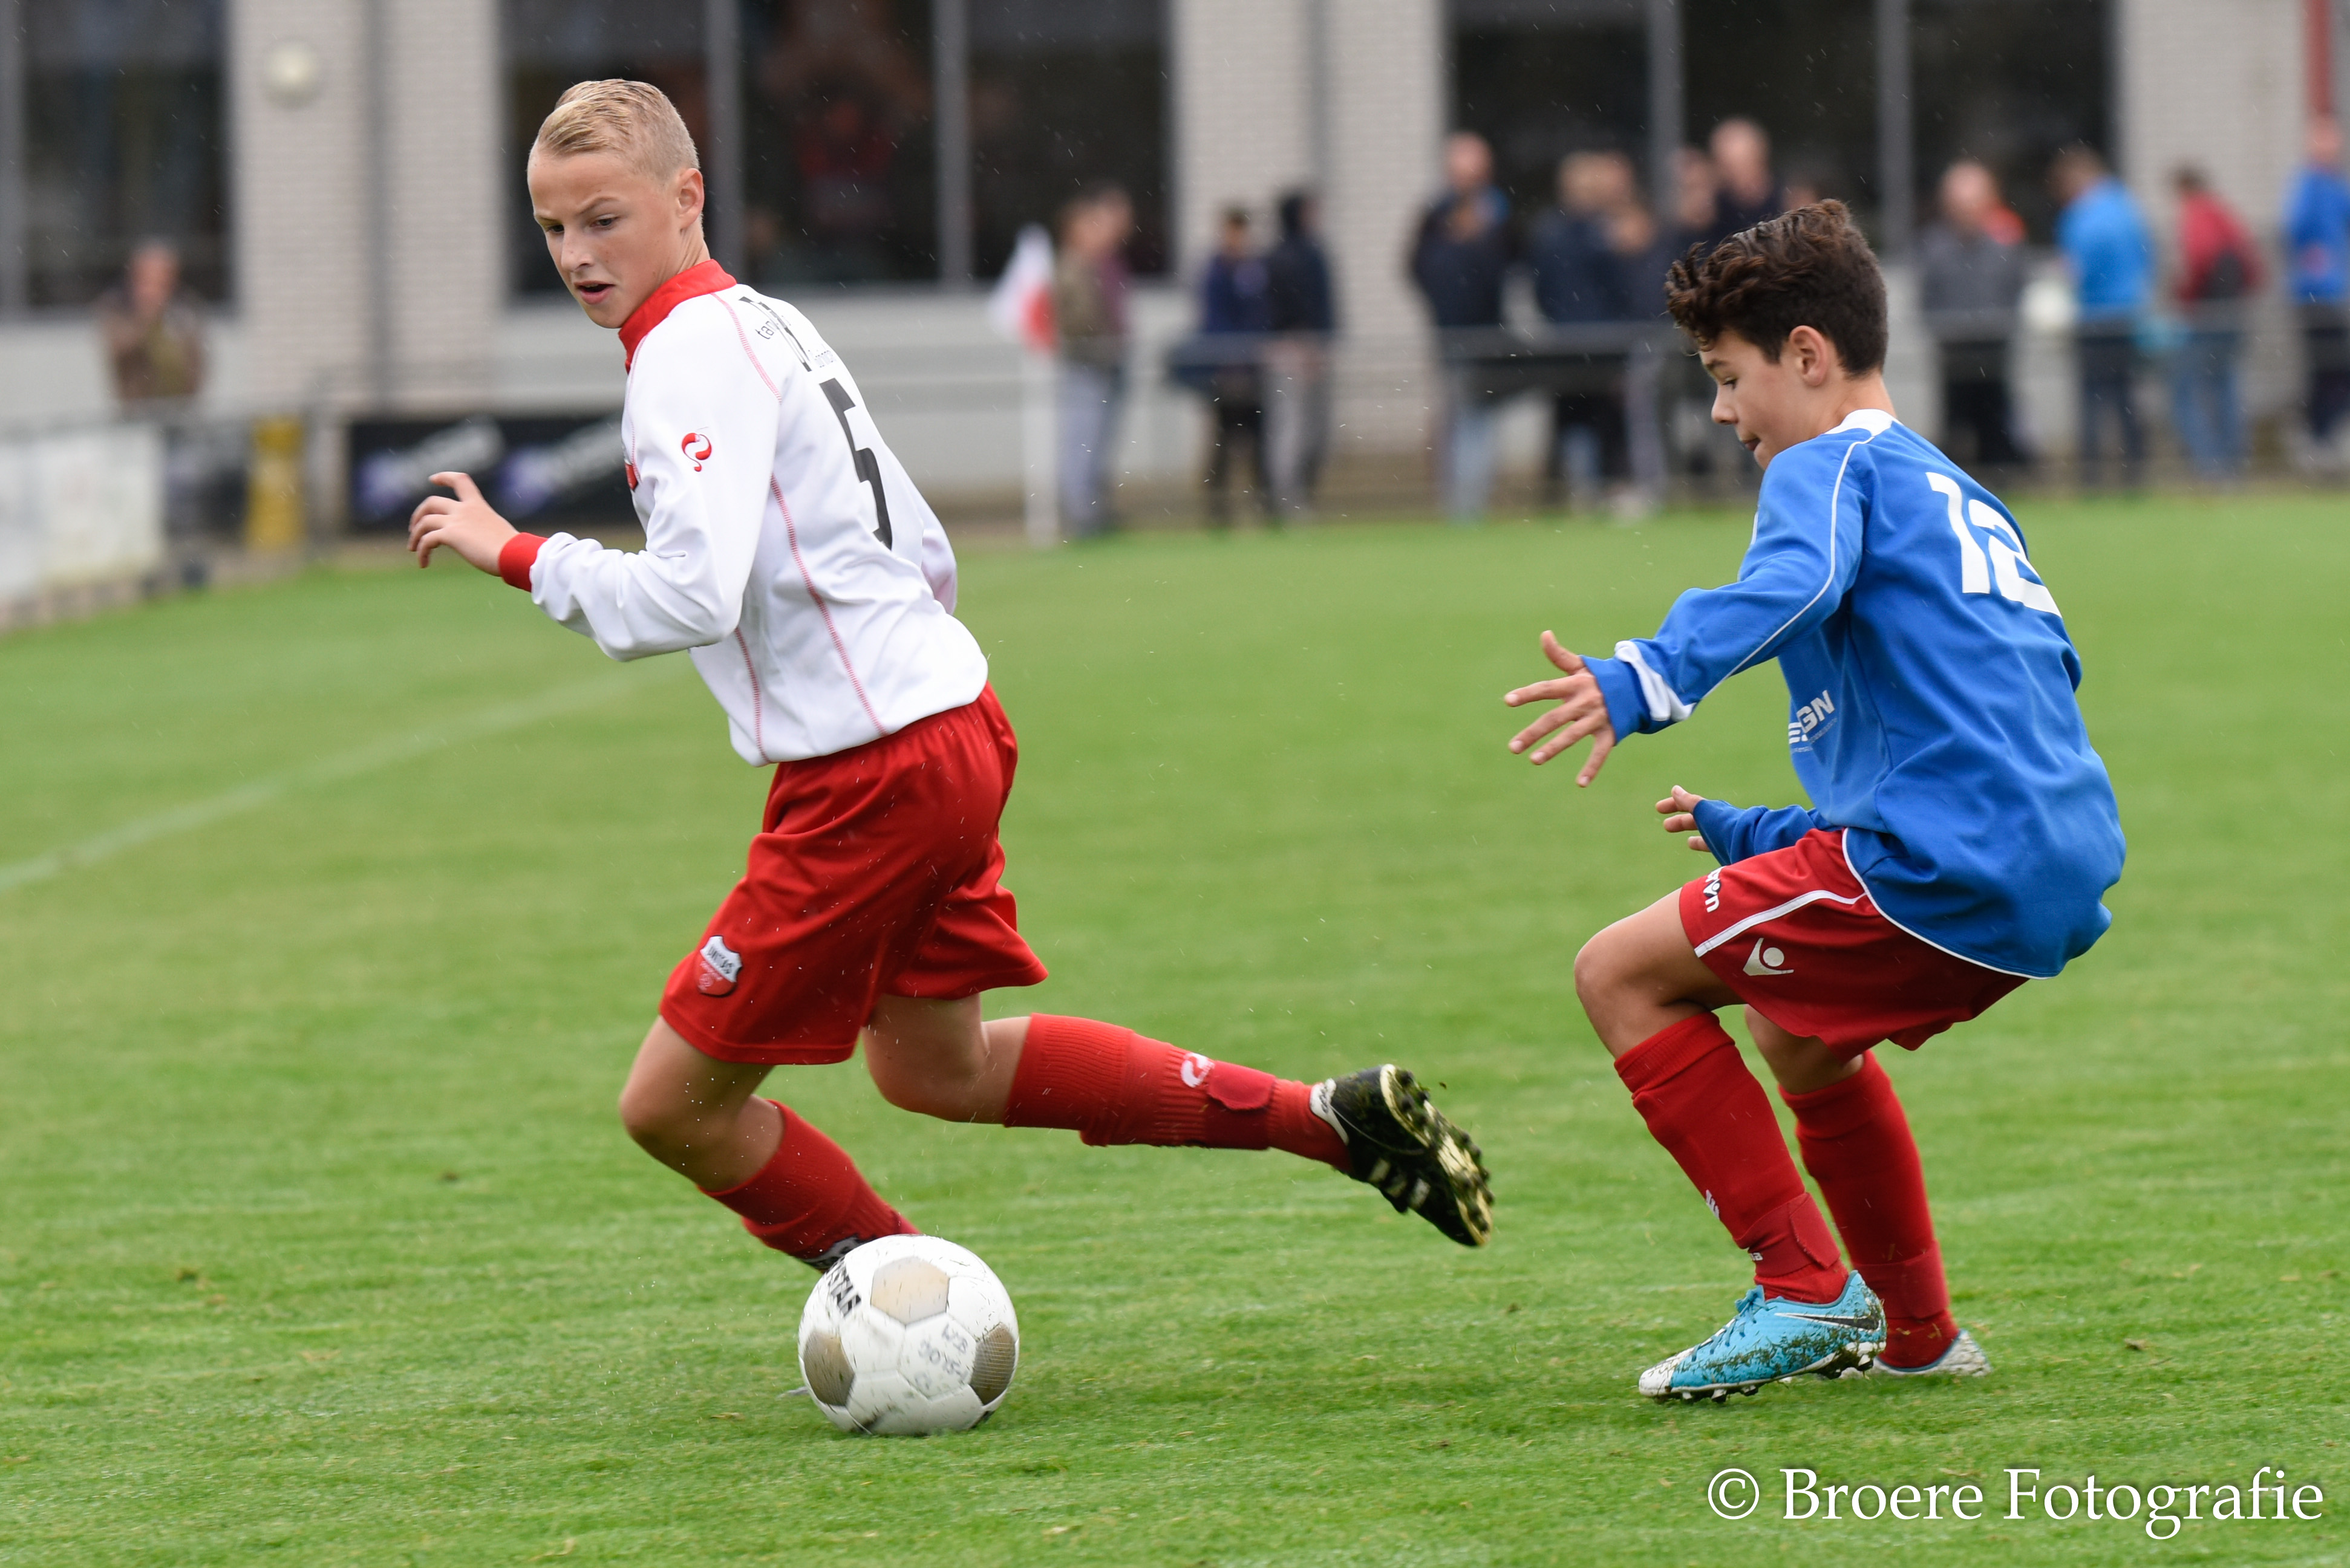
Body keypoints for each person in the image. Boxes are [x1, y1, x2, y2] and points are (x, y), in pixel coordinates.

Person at [403, 80, 1495, 1281]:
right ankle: (1323, 1120)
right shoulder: (766, 320)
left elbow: (690, 597)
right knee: (935, 1066)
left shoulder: (684, 354)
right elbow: (923, 545)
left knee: (673, 1105)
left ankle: (906, 1294)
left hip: (872, 771)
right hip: (948, 725)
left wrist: (518, 553)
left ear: (687, 197)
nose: (575, 254)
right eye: (553, 228)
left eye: (603, 219)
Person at [1501, 203, 2122, 1400]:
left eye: (1728, 378)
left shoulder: (1826, 462)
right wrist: (1758, 833)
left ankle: (1801, 1286)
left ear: (1806, 355)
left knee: (1616, 974)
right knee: (1799, 1035)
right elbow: (1990, 718)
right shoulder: (1957, 492)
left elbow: (1797, 579)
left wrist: (1646, 676)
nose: (1722, 411)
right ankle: (1921, 1334)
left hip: (1944, 864)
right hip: (2054, 861)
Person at [1410, 131, 1513, 521]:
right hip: (1451, 337)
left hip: (1486, 338)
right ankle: (1459, 506)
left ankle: (1471, 505)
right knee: (1455, 419)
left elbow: (1505, 265)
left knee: (1478, 419)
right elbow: (1420, 269)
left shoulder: (1498, 215)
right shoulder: (1435, 218)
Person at [1527, 152, 1634, 510]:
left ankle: (1564, 493)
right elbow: (1619, 288)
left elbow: (1541, 290)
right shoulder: (1601, 234)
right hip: (1596, 345)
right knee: (1598, 421)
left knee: (1570, 421)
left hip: (1570, 343)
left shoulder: (1550, 231)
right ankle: (1597, 491)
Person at [2052, 146, 2153, 487]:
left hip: (2093, 318)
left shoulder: (2080, 217)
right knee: (2125, 398)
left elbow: (2076, 271)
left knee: (2092, 400)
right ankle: (2135, 470)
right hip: (2128, 315)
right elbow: (2147, 257)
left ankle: (2092, 474)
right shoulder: (2127, 208)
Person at [1919, 160, 2028, 470]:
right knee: (1954, 432)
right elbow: (1927, 298)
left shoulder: (2005, 247)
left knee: (1997, 429)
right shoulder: (1933, 248)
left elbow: (2016, 290)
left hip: (1995, 355)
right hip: (1953, 358)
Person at [1051, 184, 1134, 536]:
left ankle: (1094, 509)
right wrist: (1099, 341)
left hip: (1106, 361)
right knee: (1082, 438)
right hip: (1086, 363)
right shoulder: (1073, 267)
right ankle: (1080, 513)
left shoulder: (1103, 264)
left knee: (1099, 440)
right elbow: (1074, 319)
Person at [2168, 166, 2262, 481]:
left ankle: (2209, 464)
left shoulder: (2196, 214)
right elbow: (2253, 265)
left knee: (2185, 388)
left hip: (2207, 314)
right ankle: (2234, 461)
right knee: (2225, 384)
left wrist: (2186, 296)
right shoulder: (2223, 213)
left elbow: (2200, 258)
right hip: (2232, 311)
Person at [1196, 206, 1273, 523]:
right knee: (1223, 442)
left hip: (1252, 369)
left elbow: (1261, 314)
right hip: (1226, 372)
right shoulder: (1216, 272)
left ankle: (1265, 505)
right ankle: (1217, 509)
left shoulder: (1253, 270)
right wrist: (1229, 355)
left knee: (1258, 441)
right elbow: (1214, 321)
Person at [1264, 190, 1337, 516]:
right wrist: (1302, 341)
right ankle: (1287, 502)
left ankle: (1300, 495)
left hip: (1314, 347)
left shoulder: (1314, 253)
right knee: (1290, 428)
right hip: (1291, 350)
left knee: (1315, 432)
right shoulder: (1284, 258)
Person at [2283, 116, 2350, 467]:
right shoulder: (2309, 186)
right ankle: (2314, 436)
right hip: (2316, 296)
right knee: (2330, 368)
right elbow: (2296, 229)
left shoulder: (2333, 186)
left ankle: (2317, 436)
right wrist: (2314, 261)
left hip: (2332, 294)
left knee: (2330, 371)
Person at [97, 239, 205, 406]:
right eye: (149, 281)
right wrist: (146, 318)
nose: (156, 289)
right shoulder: (117, 307)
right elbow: (120, 351)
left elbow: (196, 360)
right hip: (137, 410)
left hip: (180, 408)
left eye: (164, 282)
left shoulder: (185, 308)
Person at [1705, 119, 1784, 248]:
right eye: (1726, 167)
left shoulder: (1788, 203)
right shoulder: (1711, 215)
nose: (1733, 175)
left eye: (1741, 165)